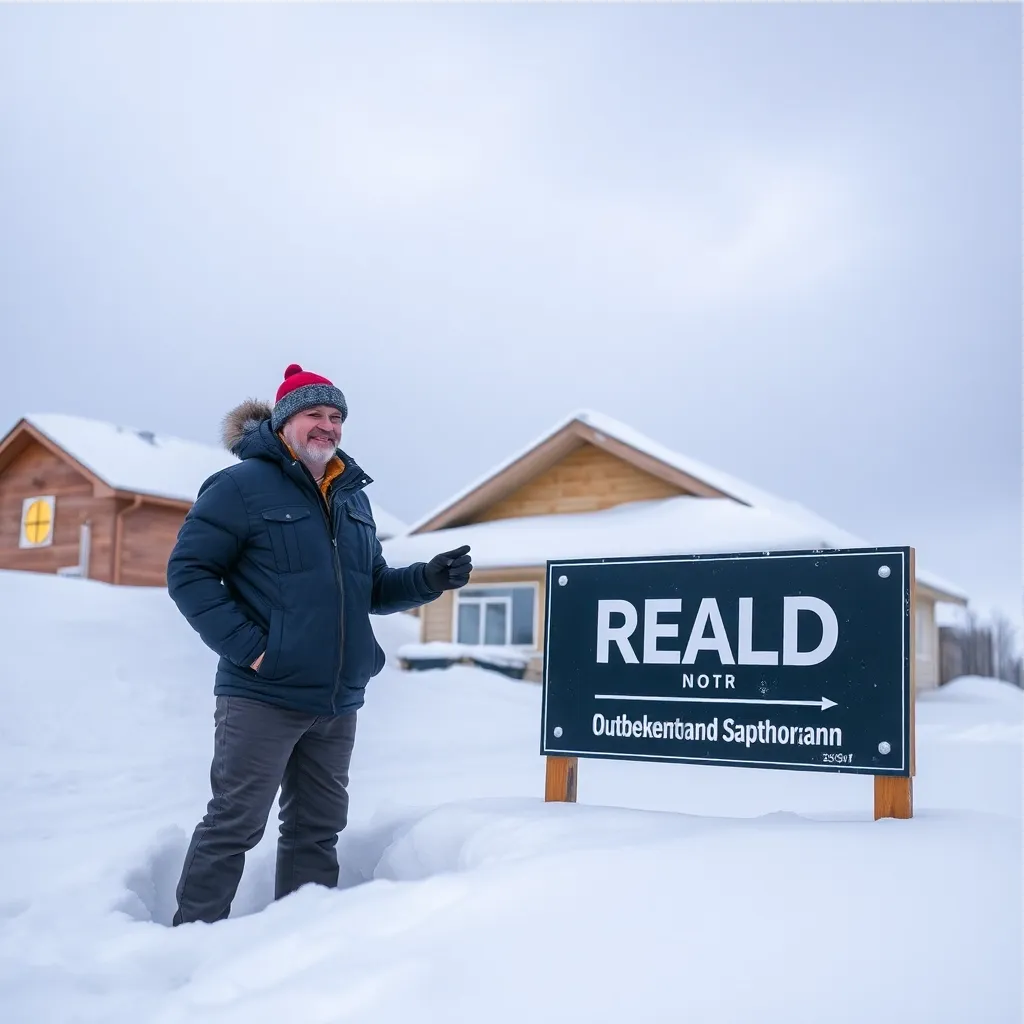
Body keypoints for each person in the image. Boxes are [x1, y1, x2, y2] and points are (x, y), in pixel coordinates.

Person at [166, 363, 471, 925]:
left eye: (336, 416)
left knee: (317, 829)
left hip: (337, 700)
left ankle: (301, 941)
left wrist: (428, 579)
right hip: (262, 694)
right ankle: (189, 941)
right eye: (315, 413)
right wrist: (254, 650)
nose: (328, 425)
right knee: (234, 824)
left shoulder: (352, 497)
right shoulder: (239, 486)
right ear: (284, 421)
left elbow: (370, 586)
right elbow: (189, 573)